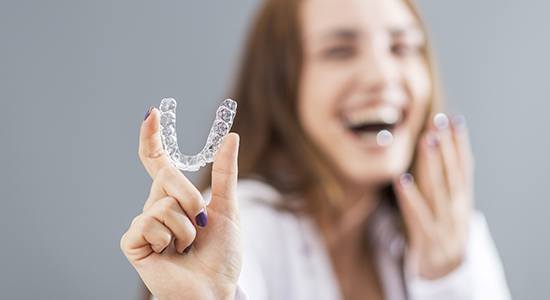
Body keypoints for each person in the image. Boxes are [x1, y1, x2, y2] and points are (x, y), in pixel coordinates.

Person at [120, 0, 512, 299]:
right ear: (283, 87)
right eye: (339, 51)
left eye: (403, 46)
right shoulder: (236, 231)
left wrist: (449, 276)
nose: (382, 75)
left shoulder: (454, 235)